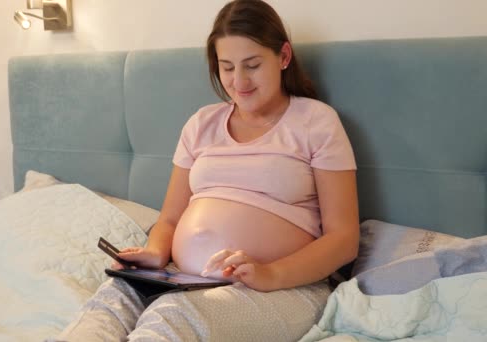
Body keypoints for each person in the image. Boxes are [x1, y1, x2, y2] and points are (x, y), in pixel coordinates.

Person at [56, 0, 358, 340]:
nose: (238, 80)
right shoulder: (201, 124)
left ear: (283, 57)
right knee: (106, 307)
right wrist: (156, 253)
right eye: (227, 67)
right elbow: (170, 219)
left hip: (281, 287)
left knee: (170, 322)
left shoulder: (316, 122)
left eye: (252, 65)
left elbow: (343, 239)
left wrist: (270, 273)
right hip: (181, 277)